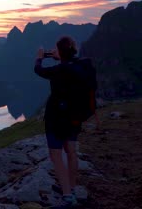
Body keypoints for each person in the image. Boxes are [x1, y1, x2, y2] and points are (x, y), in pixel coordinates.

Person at [34, 36, 97, 209]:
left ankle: (68, 198)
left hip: (57, 117)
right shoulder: (81, 65)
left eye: (55, 49)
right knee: (71, 151)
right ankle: (72, 189)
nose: (52, 51)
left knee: (56, 155)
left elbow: (39, 70)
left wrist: (40, 57)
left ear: (61, 51)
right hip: (75, 116)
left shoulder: (60, 70)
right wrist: (60, 57)